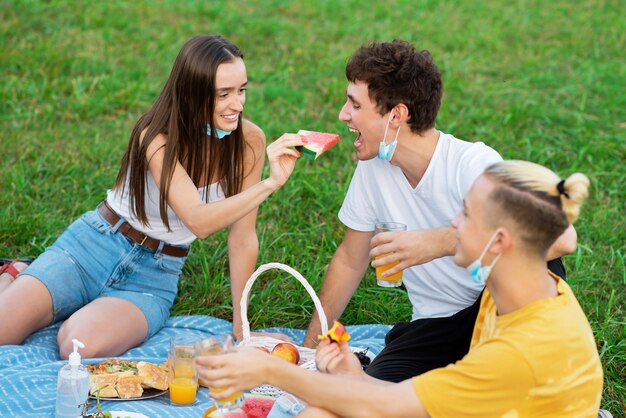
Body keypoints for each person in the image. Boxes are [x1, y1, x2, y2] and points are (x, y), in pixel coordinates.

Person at [198, 160, 604, 418]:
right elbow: (405, 400)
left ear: (498, 242)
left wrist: (271, 370)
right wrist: (354, 374)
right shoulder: (519, 288)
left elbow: (387, 407)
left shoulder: (520, 354)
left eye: (465, 214)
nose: (453, 224)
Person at [0, 34, 304, 359]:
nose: (238, 104)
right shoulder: (155, 136)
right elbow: (198, 220)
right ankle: (20, 275)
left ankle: (50, 296)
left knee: (77, 346)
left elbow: (243, 237)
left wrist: (241, 326)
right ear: (192, 95)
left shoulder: (249, 143)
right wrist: (269, 185)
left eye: (242, 90)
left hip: (153, 275)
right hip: (92, 245)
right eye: (223, 94)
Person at [301, 39, 577, 382]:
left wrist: (441, 241)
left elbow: (563, 238)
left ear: (397, 115)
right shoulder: (372, 170)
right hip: (434, 330)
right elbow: (349, 260)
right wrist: (309, 350)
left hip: (497, 312)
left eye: (354, 105)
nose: (343, 115)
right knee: (370, 397)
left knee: (539, 258)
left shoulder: (472, 164)